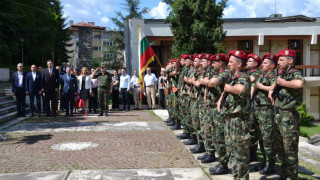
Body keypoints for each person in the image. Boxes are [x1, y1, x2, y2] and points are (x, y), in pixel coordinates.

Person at [268, 49, 304, 180]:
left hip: (289, 117)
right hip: (279, 116)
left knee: (290, 150)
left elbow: (300, 83)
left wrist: (283, 83)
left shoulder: (295, 73)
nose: (278, 62)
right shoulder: (282, 73)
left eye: (281, 59)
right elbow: (276, 82)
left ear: (291, 60)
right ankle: (283, 174)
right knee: (280, 149)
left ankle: (292, 177)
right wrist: (272, 88)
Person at [216, 50, 251, 179]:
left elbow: (240, 89)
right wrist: (220, 99)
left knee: (240, 153)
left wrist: (229, 88)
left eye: (231, 62)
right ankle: (237, 176)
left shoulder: (244, 76)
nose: (229, 64)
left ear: (239, 64)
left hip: (239, 121)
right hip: (230, 120)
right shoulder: (232, 78)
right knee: (232, 152)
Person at [253, 53, 278, 175]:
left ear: (272, 65)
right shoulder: (261, 75)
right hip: (258, 110)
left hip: (267, 111)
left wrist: (261, 86)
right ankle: (265, 161)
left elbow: (273, 88)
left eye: (265, 63)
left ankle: (271, 164)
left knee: (268, 139)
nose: (263, 64)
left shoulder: (274, 76)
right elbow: (253, 85)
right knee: (261, 138)